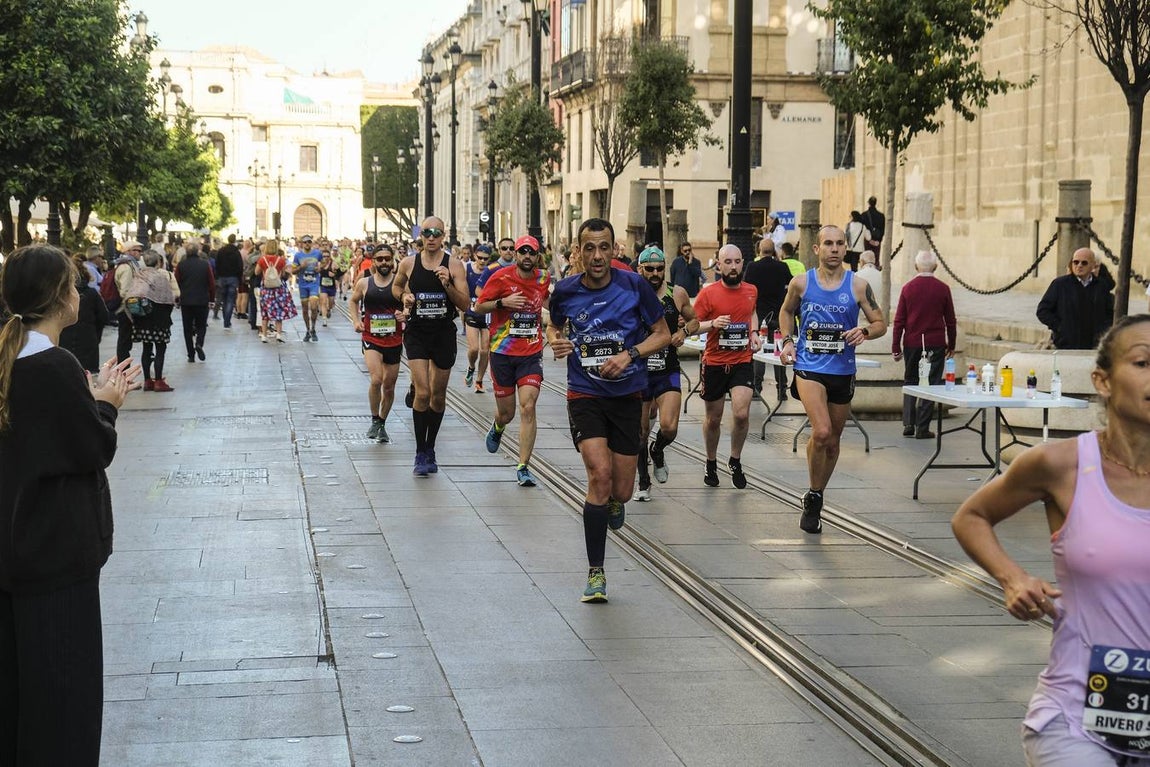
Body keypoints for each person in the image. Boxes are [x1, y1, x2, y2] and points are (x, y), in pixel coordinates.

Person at [951, 315, 1150, 767]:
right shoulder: (1061, 465)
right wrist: (1012, 578)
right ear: (1102, 380)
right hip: (1074, 716)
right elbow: (972, 516)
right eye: (1142, 363)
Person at [0, 244, 140, 766]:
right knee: (65, 702)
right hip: (57, 554)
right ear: (62, 297)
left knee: (20, 694)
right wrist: (106, 401)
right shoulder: (53, 364)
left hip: (16, 549)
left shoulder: (11, 356)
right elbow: (91, 448)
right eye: (74, 285)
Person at [546, 218, 671, 603]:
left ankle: (617, 500)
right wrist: (557, 341)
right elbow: (553, 327)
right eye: (589, 248)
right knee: (598, 476)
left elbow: (663, 334)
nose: (597, 255)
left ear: (614, 250)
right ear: (578, 252)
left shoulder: (633, 285)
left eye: (604, 247)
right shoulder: (565, 290)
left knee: (623, 490)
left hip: (628, 395)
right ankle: (596, 573)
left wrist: (629, 354)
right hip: (584, 393)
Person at [778, 224, 887, 534]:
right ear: (817, 249)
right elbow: (786, 312)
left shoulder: (858, 286)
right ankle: (813, 496)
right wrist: (787, 340)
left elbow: (881, 323)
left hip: (842, 370)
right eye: (828, 243)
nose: (835, 249)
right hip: (809, 367)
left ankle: (817, 493)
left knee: (834, 442)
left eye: (840, 243)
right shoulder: (800, 283)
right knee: (822, 431)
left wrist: (864, 331)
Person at [392, 217, 471, 476]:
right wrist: (404, 296)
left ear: (443, 235)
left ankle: (431, 447)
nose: (432, 237)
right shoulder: (408, 263)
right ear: (421, 235)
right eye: (427, 232)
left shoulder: (455, 265)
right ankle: (419, 452)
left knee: (437, 396)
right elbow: (396, 286)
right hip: (417, 333)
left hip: (443, 333)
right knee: (423, 393)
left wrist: (447, 284)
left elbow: (465, 304)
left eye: (436, 232)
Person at [475, 235, 551, 487]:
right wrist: (502, 302)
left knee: (528, 407)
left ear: (538, 256)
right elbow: (479, 307)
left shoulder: (543, 278)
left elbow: (550, 302)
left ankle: (523, 466)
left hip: (530, 353)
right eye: (522, 252)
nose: (527, 256)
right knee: (507, 413)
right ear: (516, 255)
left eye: (532, 252)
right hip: (503, 354)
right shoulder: (501, 277)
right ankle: (497, 427)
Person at [632, 246, 698, 501]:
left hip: (667, 368)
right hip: (639, 371)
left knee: (669, 427)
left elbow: (693, 319)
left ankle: (657, 450)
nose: (655, 273)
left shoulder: (676, 293)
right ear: (640, 269)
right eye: (650, 269)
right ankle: (643, 481)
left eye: (660, 268)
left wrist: (684, 332)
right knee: (639, 431)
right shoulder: (631, 294)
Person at [693, 243, 761, 489]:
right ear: (718, 266)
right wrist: (712, 323)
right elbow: (691, 325)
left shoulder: (752, 290)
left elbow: (751, 312)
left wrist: (753, 333)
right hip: (714, 363)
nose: (733, 267)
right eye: (728, 262)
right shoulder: (708, 293)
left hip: (742, 361)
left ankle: (735, 459)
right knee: (714, 418)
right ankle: (710, 461)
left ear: (743, 263)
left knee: (741, 415)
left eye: (737, 261)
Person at [891, 250, 957, 439]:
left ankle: (908, 423)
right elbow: (950, 320)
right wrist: (951, 344)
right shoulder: (943, 289)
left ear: (915, 267)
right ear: (935, 267)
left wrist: (896, 347)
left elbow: (899, 321)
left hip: (912, 342)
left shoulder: (907, 288)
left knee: (911, 380)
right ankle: (923, 427)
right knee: (932, 384)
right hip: (935, 343)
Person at [348, 246, 405, 444]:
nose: (383, 263)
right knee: (376, 379)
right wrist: (356, 321)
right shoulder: (364, 283)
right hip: (371, 338)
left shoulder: (400, 283)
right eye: (379, 259)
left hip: (395, 340)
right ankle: (374, 418)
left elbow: (409, 304)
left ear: (392, 260)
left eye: (387, 259)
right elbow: (353, 301)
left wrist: (404, 313)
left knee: (389, 386)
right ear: (373, 262)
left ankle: (381, 422)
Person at [743, 237, 793, 400]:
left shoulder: (752, 267)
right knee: (779, 351)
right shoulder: (782, 266)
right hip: (778, 315)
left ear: (759, 251)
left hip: (759, 314)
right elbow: (790, 284)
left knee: (759, 351)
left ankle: (757, 387)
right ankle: (781, 389)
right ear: (773, 251)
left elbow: (745, 287)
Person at [1036, 247, 1115, 350]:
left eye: (1084, 263)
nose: (1079, 266)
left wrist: (1102, 331)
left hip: (1093, 346)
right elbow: (1043, 310)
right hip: (1065, 345)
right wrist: (1060, 327)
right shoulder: (1060, 284)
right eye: (1076, 262)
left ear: (1092, 265)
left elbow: (1110, 313)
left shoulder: (1101, 286)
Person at [128, 251, 180, 391]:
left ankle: (147, 380)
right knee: (160, 349)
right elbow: (168, 298)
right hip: (159, 319)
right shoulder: (160, 276)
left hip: (142, 318)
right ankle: (158, 381)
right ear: (158, 262)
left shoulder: (139, 275)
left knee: (146, 348)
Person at [60, 252, 110, 374]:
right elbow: (104, 316)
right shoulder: (91, 294)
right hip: (88, 341)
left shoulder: (60, 295)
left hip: (64, 342)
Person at [174, 241, 215, 363]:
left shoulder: (181, 265)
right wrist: (212, 299)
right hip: (202, 300)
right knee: (201, 325)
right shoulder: (205, 264)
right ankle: (199, 343)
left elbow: (176, 282)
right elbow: (211, 283)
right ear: (198, 252)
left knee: (187, 328)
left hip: (186, 301)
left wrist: (177, 299)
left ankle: (190, 354)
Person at [463, 245, 492, 394]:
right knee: (474, 348)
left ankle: (479, 381)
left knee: (485, 350)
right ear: (475, 256)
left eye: (485, 259)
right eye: (479, 258)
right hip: (471, 313)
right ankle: (471, 367)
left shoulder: (491, 271)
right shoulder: (467, 268)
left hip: (487, 314)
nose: (482, 261)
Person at [255, 240, 298, 343]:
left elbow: (256, 272)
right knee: (279, 310)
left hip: (266, 289)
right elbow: (284, 273)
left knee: (265, 311)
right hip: (278, 289)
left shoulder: (262, 259)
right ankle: (278, 334)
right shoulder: (281, 260)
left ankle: (264, 335)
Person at [111, 241, 143, 363]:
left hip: (125, 306)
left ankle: (123, 365)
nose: (140, 253)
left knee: (125, 338)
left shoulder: (127, 264)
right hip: (125, 307)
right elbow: (125, 291)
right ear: (129, 251)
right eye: (137, 250)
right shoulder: (127, 267)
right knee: (124, 339)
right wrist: (133, 305)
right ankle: (123, 367)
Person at [293, 235, 323, 341]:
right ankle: (308, 330)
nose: (307, 244)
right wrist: (301, 267)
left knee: (314, 307)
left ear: (312, 243)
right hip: (303, 284)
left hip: (314, 283)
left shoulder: (317, 253)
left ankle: (313, 328)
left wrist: (319, 268)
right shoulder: (298, 255)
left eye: (309, 242)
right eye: (305, 242)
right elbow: (293, 271)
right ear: (302, 243)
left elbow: (324, 264)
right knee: (305, 309)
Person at [213, 234, 243, 329]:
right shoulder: (236, 252)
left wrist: (217, 275)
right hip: (233, 278)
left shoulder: (221, 251)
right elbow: (240, 266)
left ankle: (225, 319)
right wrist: (239, 277)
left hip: (222, 277)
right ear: (234, 241)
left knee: (223, 299)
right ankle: (227, 321)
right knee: (230, 300)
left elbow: (216, 264)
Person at [318, 250, 339, 326]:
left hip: (331, 286)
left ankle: (329, 309)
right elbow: (317, 272)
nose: (326, 258)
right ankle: (324, 320)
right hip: (323, 285)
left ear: (329, 256)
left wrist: (334, 274)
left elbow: (339, 273)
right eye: (324, 256)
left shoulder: (333, 263)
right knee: (323, 302)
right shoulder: (320, 264)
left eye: (327, 256)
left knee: (331, 302)